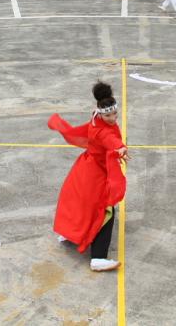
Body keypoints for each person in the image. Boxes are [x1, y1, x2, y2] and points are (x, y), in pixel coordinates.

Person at [48, 82, 128, 271]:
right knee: (105, 211)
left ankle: (69, 233)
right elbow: (110, 139)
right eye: (108, 115)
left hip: (84, 168)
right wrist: (120, 148)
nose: (112, 118)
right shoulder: (102, 130)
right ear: (100, 113)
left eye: (114, 114)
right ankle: (98, 257)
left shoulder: (95, 118)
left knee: (79, 204)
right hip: (96, 174)